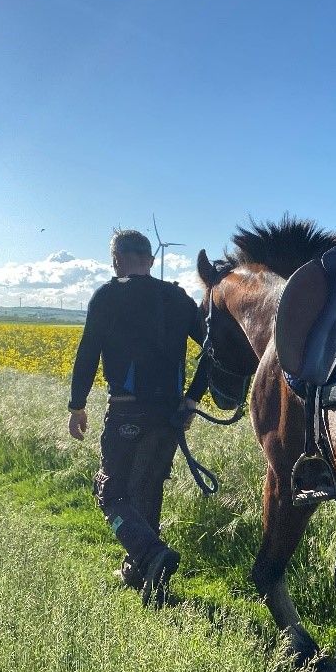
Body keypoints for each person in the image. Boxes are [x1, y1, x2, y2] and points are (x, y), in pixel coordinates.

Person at [67, 228, 209, 604]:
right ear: (149, 260)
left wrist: (76, 405)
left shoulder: (108, 296)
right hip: (170, 414)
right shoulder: (178, 298)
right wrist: (193, 399)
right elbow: (213, 349)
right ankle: (146, 576)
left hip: (127, 410)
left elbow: (87, 353)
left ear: (115, 260)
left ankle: (150, 555)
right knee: (146, 489)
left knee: (110, 492)